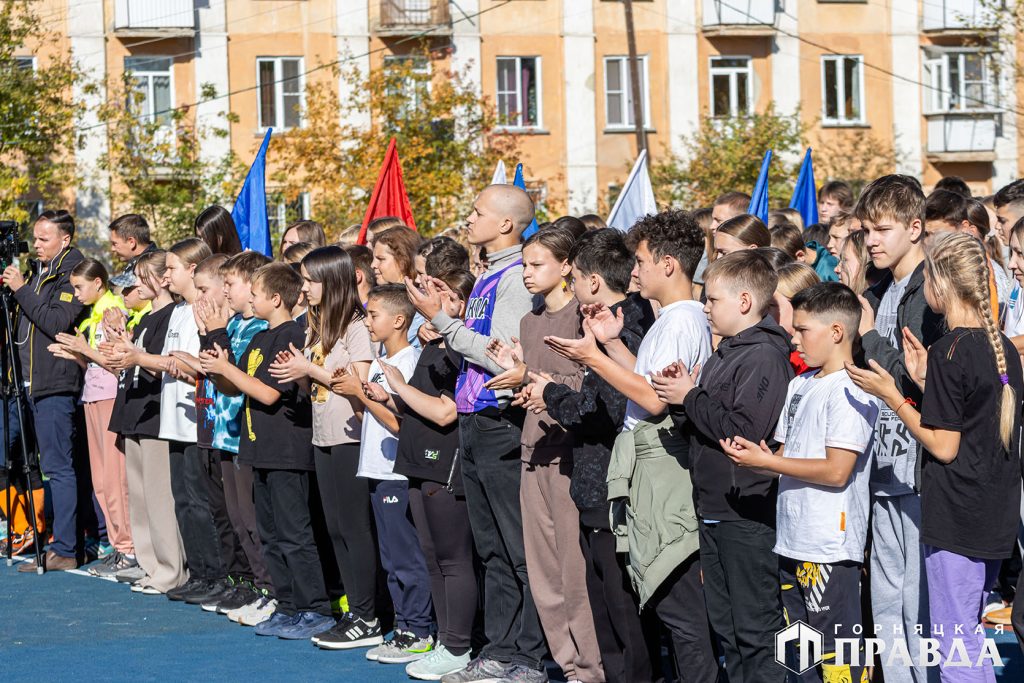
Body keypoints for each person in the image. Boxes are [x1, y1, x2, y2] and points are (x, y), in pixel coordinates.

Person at [547, 210, 717, 681]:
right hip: (646, 463)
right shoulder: (669, 321)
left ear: (668, 265)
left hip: (660, 467)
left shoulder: (682, 321)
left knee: (678, 611)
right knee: (664, 604)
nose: (634, 270)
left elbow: (654, 401)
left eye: (641, 260)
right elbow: (645, 380)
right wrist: (613, 345)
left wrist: (592, 358)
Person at [849, 232, 1022, 682]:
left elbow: (944, 444)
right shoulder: (1000, 349)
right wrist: (927, 383)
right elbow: (973, 415)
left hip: (957, 515)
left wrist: (893, 394)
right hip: (992, 513)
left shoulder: (952, 350)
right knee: (970, 634)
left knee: (953, 641)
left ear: (940, 284)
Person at [407, 184, 543, 683]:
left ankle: (529, 654)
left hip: (500, 423)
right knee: (490, 548)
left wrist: (443, 321)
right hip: (474, 422)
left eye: (478, 211)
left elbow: (497, 354)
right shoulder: (488, 275)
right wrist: (450, 319)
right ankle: (501, 648)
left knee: (517, 545)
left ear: (506, 223)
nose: (469, 218)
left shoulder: (514, 278)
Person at [724, 282, 879, 683]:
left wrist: (768, 461)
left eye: (803, 329)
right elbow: (786, 459)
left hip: (829, 546)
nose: (794, 337)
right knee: (800, 661)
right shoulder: (800, 383)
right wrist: (755, 459)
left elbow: (836, 470)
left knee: (839, 660)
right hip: (792, 540)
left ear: (836, 332)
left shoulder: (851, 389)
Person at [652, 249, 793, 683]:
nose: (705, 308)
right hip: (713, 506)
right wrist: (682, 398)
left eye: (712, 300)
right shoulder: (728, 350)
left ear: (745, 302)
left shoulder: (764, 355)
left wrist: (690, 396)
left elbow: (742, 432)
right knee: (728, 631)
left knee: (757, 631)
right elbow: (703, 424)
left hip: (745, 512)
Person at [534, 228, 656, 683]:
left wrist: (547, 391)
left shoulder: (624, 326)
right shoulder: (615, 321)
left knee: (621, 608)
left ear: (593, 281)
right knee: (605, 602)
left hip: (613, 485)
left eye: (576, 277)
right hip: (596, 485)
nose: (572, 287)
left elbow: (601, 410)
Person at [199, 263, 334, 639]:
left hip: (287, 451)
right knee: (271, 534)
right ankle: (288, 605)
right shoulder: (259, 338)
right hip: (257, 449)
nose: (250, 299)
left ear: (276, 299)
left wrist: (228, 368)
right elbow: (233, 388)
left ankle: (315, 608)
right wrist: (215, 358)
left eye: (256, 293)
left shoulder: (290, 335)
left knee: (295, 534)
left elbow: (269, 393)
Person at [493, 226, 603, 683]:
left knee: (574, 571)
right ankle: (567, 666)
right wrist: (518, 380)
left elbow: (591, 386)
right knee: (542, 571)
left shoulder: (586, 317)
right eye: (522, 264)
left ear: (566, 267)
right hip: (531, 451)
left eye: (536, 264)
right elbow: (534, 382)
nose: (526, 273)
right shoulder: (529, 322)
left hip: (570, 457)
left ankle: (592, 668)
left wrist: (539, 383)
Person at [267, 246, 382, 650]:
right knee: (334, 529)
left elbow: (356, 382)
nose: (305, 288)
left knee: (355, 528)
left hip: (350, 435)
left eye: (312, 280)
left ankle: (368, 616)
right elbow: (317, 382)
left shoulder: (356, 325)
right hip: (324, 435)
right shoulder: (317, 325)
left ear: (333, 282)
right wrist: (297, 373)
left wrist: (308, 369)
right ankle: (354, 611)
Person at [855, 174, 944, 683]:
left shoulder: (928, 292)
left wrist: (868, 336)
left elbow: (922, 380)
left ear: (915, 228)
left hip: (918, 466)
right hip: (879, 466)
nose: (871, 240)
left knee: (919, 603)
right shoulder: (876, 289)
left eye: (882, 229)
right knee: (886, 601)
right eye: (867, 230)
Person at [329, 285, 433, 663]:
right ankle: (404, 626)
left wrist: (367, 395)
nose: (368, 321)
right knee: (390, 558)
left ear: (399, 320)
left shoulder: (406, 364)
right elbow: (367, 417)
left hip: (397, 474)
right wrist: (354, 394)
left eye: (374, 315)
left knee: (406, 557)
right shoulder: (376, 362)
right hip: (374, 468)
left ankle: (418, 630)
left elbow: (401, 425)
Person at [387, 269, 478, 680]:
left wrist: (399, 387)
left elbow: (445, 411)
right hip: (417, 461)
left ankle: (458, 645)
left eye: (445, 294)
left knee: (452, 558)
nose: (433, 300)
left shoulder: (460, 347)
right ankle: (446, 640)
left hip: (445, 461)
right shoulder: (433, 341)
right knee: (432, 556)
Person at [3, 210, 87, 572]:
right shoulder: (40, 273)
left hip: (55, 383)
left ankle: (66, 549)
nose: (35, 245)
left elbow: (55, 322)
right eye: (34, 238)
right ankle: (38, 532)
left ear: (64, 240)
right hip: (26, 384)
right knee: (19, 458)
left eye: (43, 239)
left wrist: (21, 288)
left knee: (59, 467)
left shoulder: (73, 273)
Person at [100, 250, 186, 594]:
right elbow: (131, 362)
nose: (134, 283)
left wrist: (134, 352)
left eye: (139, 276)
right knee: (139, 497)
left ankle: (170, 569)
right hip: (134, 412)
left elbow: (164, 364)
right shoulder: (147, 319)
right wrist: (120, 344)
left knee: (159, 497)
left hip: (155, 413)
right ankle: (151, 565)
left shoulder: (172, 315)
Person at [199, 251, 275, 623]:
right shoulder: (232, 325)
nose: (225, 291)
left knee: (253, 519)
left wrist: (214, 334)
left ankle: (271, 590)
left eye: (230, 284)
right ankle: (255, 587)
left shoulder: (259, 328)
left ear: (254, 285)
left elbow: (236, 375)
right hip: (222, 433)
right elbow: (216, 371)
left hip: (245, 434)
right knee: (236, 518)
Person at [49, 259, 134, 576]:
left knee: (115, 479)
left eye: (79, 287)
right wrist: (78, 355)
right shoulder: (92, 316)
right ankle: (117, 544)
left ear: (99, 283)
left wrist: (86, 349)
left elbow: (118, 364)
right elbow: (96, 366)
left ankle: (128, 547)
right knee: (100, 481)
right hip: (92, 397)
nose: (75, 293)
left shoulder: (114, 312)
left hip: (111, 398)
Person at [766, 262, 820, 375]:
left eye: (771, 305)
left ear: (799, 306)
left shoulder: (812, 360)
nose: (765, 312)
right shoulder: (771, 345)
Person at [108, 213, 158, 289]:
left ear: (131, 242)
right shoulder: (136, 262)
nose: (112, 249)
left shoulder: (154, 264)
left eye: (115, 243)